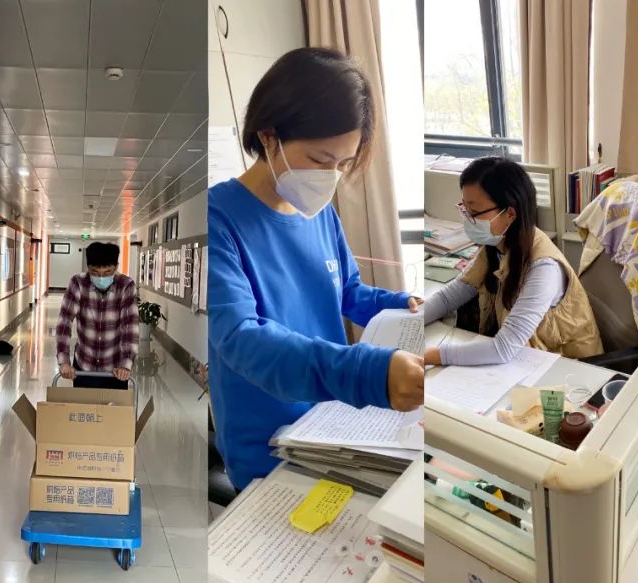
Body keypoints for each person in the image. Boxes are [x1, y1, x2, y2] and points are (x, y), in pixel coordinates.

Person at [208, 48, 424, 491]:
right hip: (269, 449)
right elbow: (241, 339)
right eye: (321, 160)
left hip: (333, 425)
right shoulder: (216, 219)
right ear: (269, 136)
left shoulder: (319, 212)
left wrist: (406, 306)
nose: (331, 176)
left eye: (343, 164)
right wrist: (367, 373)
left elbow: (348, 293)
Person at [424, 156, 602, 365]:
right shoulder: (497, 245)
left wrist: (429, 356)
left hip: (570, 369)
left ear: (509, 214)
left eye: (474, 212)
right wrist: (411, 320)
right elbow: (449, 298)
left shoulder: (544, 268)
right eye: (465, 209)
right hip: (527, 358)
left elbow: (503, 348)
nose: (467, 219)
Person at [56, 242, 139, 390]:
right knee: (83, 405)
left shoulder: (126, 285)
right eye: (94, 272)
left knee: (115, 406)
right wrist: (64, 362)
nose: (101, 277)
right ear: (88, 267)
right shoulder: (78, 283)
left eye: (107, 272)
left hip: (115, 369)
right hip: (84, 365)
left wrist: (126, 364)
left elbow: (130, 327)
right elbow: (64, 322)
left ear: (116, 267)